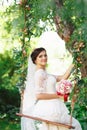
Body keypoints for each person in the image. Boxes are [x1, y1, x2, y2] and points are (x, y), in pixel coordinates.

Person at [21, 47, 82, 130]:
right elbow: (39, 95)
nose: (44, 58)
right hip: (50, 110)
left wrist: (74, 63)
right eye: (40, 56)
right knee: (75, 125)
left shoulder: (45, 73)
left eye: (45, 55)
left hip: (54, 108)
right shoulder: (39, 74)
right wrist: (59, 96)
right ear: (35, 60)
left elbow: (62, 78)